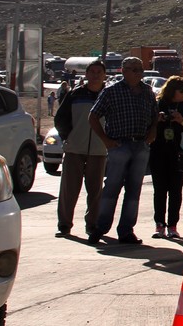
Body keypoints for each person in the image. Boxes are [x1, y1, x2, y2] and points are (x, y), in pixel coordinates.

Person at [87, 56, 158, 245]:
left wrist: (152, 132)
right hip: (119, 146)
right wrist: (106, 140)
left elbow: (154, 116)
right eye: (134, 70)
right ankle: (100, 228)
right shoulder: (111, 92)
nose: (138, 73)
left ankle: (126, 231)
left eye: (140, 70)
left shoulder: (148, 92)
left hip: (140, 145)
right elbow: (93, 116)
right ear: (123, 71)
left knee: (134, 191)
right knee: (111, 188)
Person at [54, 60, 109, 238]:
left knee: (95, 191)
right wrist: (67, 138)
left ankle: (92, 225)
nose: (95, 75)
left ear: (104, 75)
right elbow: (61, 119)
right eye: (92, 71)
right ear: (86, 75)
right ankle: (64, 224)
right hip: (74, 149)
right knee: (69, 189)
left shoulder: (108, 95)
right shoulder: (75, 95)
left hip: (99, 150)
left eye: (98, 72)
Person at [150, 76, 183, 239]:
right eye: (181, 91)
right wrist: (158, 119)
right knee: (159, 190)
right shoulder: (157, 102)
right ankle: (159, 224)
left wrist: (181, 120)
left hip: (179, 151)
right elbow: (149, 123)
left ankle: (173, 225)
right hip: (158, 150)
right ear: (171, 90)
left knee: (176, 190)